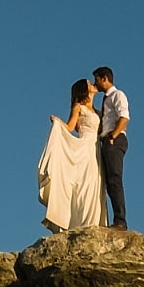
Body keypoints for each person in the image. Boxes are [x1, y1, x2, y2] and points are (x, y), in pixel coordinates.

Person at [38, 77, 101, 232]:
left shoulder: (97, 111)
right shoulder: (78, 107)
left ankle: (92, 222)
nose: (92, 84)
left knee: (95, 184)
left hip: (96, 149)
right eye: (89, 83)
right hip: (85, 147)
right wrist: (58, 123)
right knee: (84, 184)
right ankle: (80, 222)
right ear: (84, 89)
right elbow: (70, 127)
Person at [92, 66, 131, 229]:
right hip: (107, 140)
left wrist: (113, 136)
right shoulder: (107, 99)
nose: (95, 83)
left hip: (114, 139)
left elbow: (124, 117)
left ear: (104, 79)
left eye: (96, 80)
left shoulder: (117, 95)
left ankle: (120, 221)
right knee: (109, 182)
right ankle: (116, 219)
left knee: (115, 179)